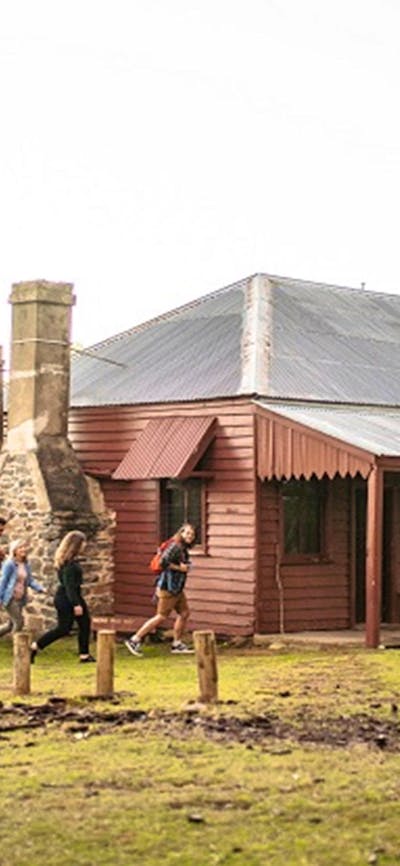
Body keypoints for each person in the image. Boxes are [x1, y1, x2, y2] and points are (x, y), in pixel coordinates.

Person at [125, 523, 196, 657]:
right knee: (161, 616)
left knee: (184, 613)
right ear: (181, 533)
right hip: (168, 588)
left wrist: (186, 566)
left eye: (192, 534)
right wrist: (179, 568)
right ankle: (135, 639)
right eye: (187, 533)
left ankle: (177, 644)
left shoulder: (183, 548)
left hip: (177, 588)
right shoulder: (175, 546)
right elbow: (163, 562)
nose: (190, 536)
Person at [30, 530, 95, 664]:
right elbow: (69, 587)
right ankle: (35, 646)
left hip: (71, 596)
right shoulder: (69, 565)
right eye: (82, 543)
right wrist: (76, 604)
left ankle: (84, 654)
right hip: (67, 598)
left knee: (85, 624)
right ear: (75, 545)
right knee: (63, 628)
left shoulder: (69, 562)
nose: (85, 546)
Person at [0, 539, 46, 637]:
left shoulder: (26, 564)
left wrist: (40, 588)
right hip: (10, 598)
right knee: (19, 622)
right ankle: (17, 646)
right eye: (20, 547)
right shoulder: (9, 564)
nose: (23, 549)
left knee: (10, 624)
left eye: (24, 547)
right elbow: (3, 582)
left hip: (20, 598)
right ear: (14, 550)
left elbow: (29, 580)